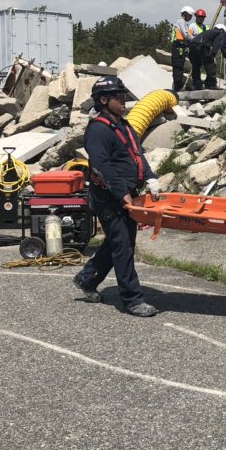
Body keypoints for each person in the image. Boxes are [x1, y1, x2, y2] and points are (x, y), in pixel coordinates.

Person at [73, 76, 162, 318]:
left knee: (116, 242)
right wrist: (123, 195)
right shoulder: (98, 130)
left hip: (127, 194)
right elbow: (102, 167)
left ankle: (87, 278)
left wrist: (150, 178)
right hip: (109, 199)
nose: (124, 101)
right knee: (123, 247)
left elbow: (137, 155)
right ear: (103, 100)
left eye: (124, 97)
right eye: (119, 97)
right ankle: (132, 300)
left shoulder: (124, 125)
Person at [189, 23, 225, 89]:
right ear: (222, 30)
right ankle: (211, 84)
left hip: (192, 45)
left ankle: (196, 84)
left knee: (196, 65)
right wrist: (212, 55)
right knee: (210, 64)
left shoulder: (208, 32)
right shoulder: (219, 33)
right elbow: (216, 46)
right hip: (201, 45)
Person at [170, 5, 196, 91]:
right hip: (178, 46)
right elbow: (185, 35)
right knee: (178, 66)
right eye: (190, 16)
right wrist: (194, 39)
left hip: (180, 46)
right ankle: (178, 87)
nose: (191, 18)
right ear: (185, 14)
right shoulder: (181, 21)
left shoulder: (183, 23)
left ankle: (178, 86)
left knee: (180, 66)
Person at [185, 9, 208, 90]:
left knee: (208, 65)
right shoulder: (192, 26)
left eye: (202, 17)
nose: (201, 18)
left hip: (203, 50)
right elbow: (189, 36)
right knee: (196, 67)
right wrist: (197, 39)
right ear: (196, 17)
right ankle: (196, 83)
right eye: (199, 17)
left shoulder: (205, 27)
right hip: (194, 49)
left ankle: (207, 82)